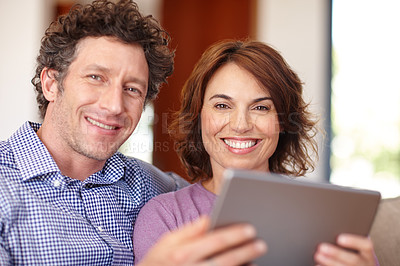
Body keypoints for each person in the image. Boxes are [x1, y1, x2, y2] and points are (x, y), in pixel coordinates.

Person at [0, 1, 266, 265]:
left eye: (132, 89)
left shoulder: (151, 186)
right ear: (51, 84)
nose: (114, 105)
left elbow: (214, 200)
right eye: (96, 77)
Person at [133, 40, 379, 265]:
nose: (241, 125)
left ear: (282, 122)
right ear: (198, 118)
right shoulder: (164, 216)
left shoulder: (329, 215)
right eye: (222, 105)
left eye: (261, 107)